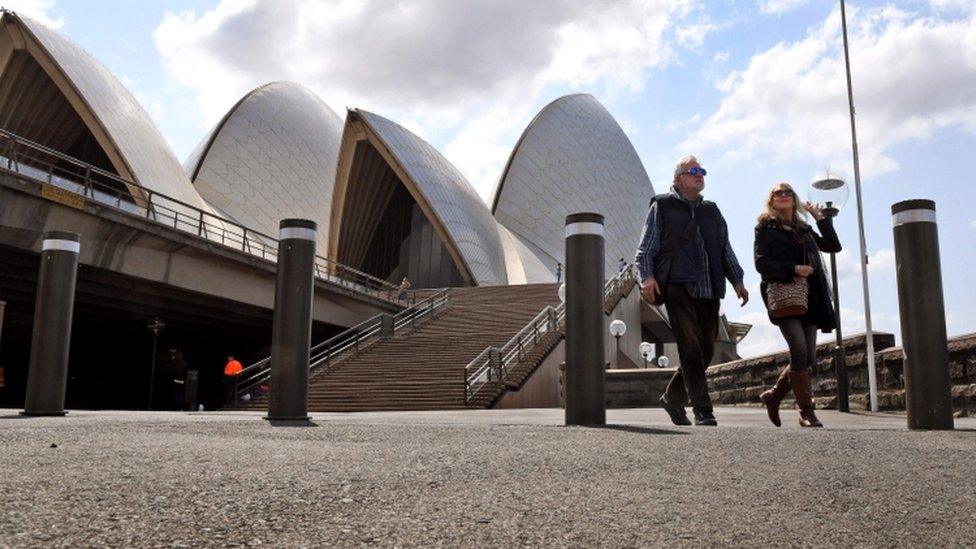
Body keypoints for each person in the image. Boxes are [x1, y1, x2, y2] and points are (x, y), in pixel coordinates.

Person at [635, 155, 749, 426]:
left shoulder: (712, 210)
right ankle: (703, 409)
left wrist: (737, 280)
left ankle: (672, 397)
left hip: (710, 286)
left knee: (707, 349)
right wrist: (647, 277)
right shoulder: (662, 206)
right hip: (677, 284)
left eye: (702, 171)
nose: (700, 175)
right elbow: (646, 247)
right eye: (693, 171)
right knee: (690, 347)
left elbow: (724, 249)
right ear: (678, 178)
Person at [754, 183, 841, 428]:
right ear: (771, 201)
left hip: (811, 297)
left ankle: (774, 395)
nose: (783, 196)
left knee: (809, 356)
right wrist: (793, 269)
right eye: (777, 193)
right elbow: (761, 263)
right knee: (799, 351)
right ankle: (806, 411)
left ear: (794, 199)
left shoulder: (804, 229)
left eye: (787, 192)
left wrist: (819, 217)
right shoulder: (765, 228)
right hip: (785, 295)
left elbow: (833, 246)